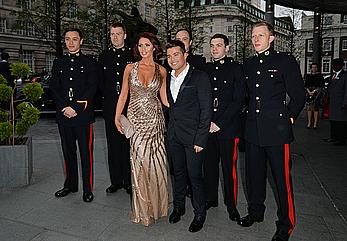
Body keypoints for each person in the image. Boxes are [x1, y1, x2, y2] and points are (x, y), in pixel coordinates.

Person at [238, 22, 305, 241]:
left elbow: (299, 96)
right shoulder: (247, 64)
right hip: (253, 131)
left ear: (271, 38)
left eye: (261, 35)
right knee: (254, 176)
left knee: (281, 180)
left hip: (277, 131)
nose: (256, 39)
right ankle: (256, 212)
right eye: (253, 36)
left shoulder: (284, 61)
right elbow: (245, 97)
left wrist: (289, 118)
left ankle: (286, 224)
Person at [114, 32, 169, 226]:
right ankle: (143, 211)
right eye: (140, 45)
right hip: (136, 122)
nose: (143, 49)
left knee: (155, 165)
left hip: (155, 122)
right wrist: (116, 117)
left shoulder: (162, 71)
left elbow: (164, 100)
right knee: (139, 165)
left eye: (147, 45)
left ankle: (155, 208)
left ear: (154, 47)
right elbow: (123, 95)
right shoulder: (130, 68)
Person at [166, 40, 212, 233]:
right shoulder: (166, 77)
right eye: (168, 56)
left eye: (176, 54)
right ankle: (178, 207)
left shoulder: (199, 77)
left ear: (185, 55)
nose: (172, 59)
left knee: (195, 176)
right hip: (174, 135)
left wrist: (201, 139)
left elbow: (206, 110)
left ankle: (200, 213)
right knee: (178, 174)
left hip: (194, 137)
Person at [50, 28, 98, 203]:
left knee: (86, 153)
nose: (71, 42)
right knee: (68, 151)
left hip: (83, 116)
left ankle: (87, 189)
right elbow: (54, 88)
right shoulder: (58, 62)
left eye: (75, 39)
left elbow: (92, 87)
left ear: (81, 41)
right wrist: (64, 107)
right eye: (68, 39)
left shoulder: (90, 62)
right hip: (64, 115)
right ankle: (70, 185)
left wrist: (76, 108)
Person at [203, 34, 244, 222]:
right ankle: (211, 199)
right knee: (209, 166)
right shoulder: (207, 69)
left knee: (229, 169)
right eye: (212, 46)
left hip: (227, 128)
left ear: (227, 48)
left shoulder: (236, 69)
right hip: (208, 127)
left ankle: (231, 204)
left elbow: (239, 101)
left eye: (219, 45)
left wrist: (218, 123)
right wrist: (208, 122)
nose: (214, 49)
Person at [98, 22, 133, 194]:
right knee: (112, 144)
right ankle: (116, 181)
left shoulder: (132, 54)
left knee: (127, 144)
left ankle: (128, 180)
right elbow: (101, 82)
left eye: (118, 34)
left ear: (125, 35)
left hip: (129, 107)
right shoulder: (104, 56)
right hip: (111, 106)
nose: (115, 37)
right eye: (112, 34)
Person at [325, 58, 347, 146]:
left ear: (341, 66)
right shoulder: (332, 75)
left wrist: (345, 103)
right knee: (333, 120)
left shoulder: (345, 76)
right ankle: (333, 137)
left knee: (340, 122)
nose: (334, 67)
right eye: (333, 65)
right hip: (333, 102)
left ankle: (341, 139)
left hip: (341, 102)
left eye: (336, 65)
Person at [304, 63, 324, 129]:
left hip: (317, 93)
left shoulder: (320, 76)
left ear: (317, 68)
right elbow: (305, 85)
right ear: (311, 68)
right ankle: (309, 123)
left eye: (315, 67)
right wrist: (309, 91)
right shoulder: (308, 76)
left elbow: (321, 86)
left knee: (315, 108)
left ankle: (315, 124)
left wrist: (314, 91)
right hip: (309, 92)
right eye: (312, 67)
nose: (314, 69)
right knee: (309, 108)